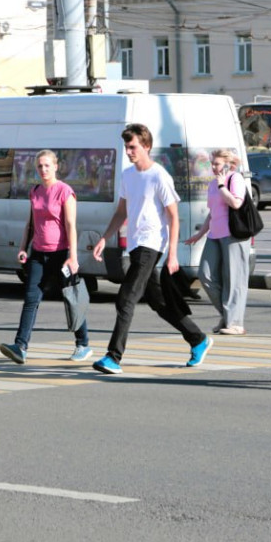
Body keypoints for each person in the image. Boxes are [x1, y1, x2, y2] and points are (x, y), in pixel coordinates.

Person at [90, 123, 212, 375]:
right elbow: (122, 212)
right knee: (159, 302)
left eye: (133, 146)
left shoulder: (159, 176)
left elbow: (174, 217)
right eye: (126, 147)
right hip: (135, 245)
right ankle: (197, 338)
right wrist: (105, 238)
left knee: (126, 299)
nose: (129, 151)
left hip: (151, 245)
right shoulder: (128, 175)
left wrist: (173, 255)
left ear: (146, 146)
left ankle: (113, 357)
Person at [0, 150, 93, 364]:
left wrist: (73, 256)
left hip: (61, 254)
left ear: (56, 167)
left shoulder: (65, 191)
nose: (43, 169)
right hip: (38, 253)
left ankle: (83, 344)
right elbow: (30, 223)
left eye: (47, 165)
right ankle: (20, 346)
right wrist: (23, 247)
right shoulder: (35, 191)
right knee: (31, 299)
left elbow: (71, 225)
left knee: (72, 298)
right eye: (40, 166)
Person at [184, 148, 251, 335]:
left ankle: (235, 323)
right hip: (215, 234)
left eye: (217, 164)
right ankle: (228, 316)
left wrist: (222, 186)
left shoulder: (234, 179)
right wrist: (199, 235)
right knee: (205, 275)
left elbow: (236, 203)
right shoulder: (213, 183)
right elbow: (212, 213)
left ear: (228, 165)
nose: (213, 167)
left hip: (234, 235)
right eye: (212, 163)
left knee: (233, 279)